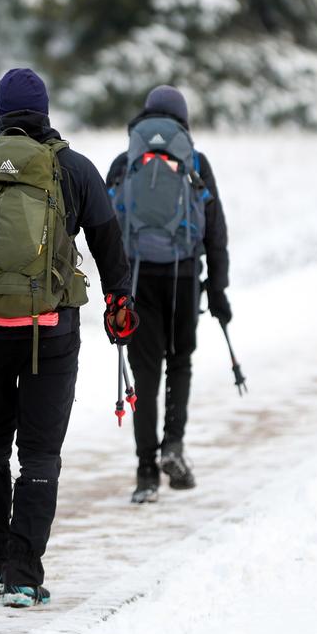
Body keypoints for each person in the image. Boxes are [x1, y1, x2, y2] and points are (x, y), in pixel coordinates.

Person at [0, 68, 134, 608]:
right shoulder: (72, 168)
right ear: (44, 111)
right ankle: (23, 572)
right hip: (53, 328)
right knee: (40, 453)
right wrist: (119, 302)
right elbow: (110, 241)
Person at [104, 86, 231, 504]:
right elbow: (215, 230)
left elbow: (106, 231)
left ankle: (144, 473)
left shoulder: (125, 162)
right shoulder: (195, 162)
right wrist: (218, 288)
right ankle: (172, 445)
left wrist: (113, 291)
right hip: (182, 275)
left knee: (144, 374)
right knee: (179, 363)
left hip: (137, 279)